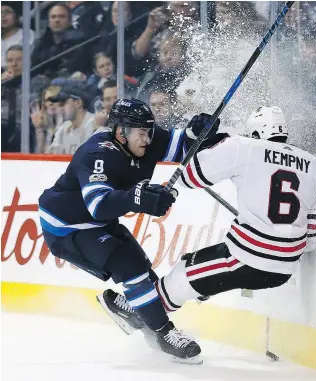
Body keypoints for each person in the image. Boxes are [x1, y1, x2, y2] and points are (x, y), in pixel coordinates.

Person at [102, 106, 316, 348]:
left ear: (256, 133)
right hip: (285, 268)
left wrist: (204, 144)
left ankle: (138, 312)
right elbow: (312, 238)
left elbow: (190, 177)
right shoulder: (313, 165)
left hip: (248, 260)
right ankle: (189, 294)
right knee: (208, 263)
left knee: (184, 272)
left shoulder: (243, 147)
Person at [38, 98, 221, 364]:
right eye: (141, 133)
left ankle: (125, 307)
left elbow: (182, 147)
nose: (147, 139)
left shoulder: (145, 137)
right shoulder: (96, 154)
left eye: (149, 131)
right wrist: (139, 198)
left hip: (99, 222)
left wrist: (197, 133)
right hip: (67, 227)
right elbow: (98, 206)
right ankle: (164, 334)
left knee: (143, 271)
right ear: (120, 132)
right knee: (128, 266)